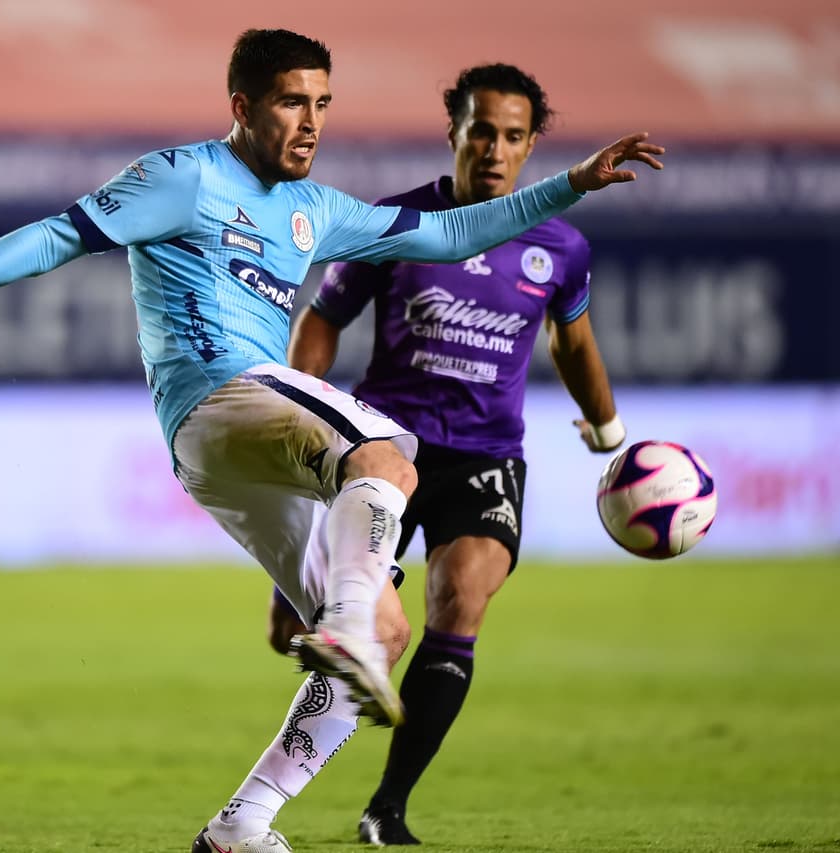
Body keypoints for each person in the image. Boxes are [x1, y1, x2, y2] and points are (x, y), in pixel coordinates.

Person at [0, 30, 662, 853]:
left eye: (323, 104)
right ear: (243, 106)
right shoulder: (181, 176)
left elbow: (447, 235)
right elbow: (58, 234)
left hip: (235, 453)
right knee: (385, 453)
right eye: (292, 102)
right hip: (217, 396)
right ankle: (340, 622)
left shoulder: (315, 209)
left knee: (388, 631)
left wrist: (571, 185)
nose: (311, 122)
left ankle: (243, 822)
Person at [266, 63, 626, 846]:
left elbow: (574, 342)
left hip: (487, 457)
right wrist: (299, 420)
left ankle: (387, 807)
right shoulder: (396, 223)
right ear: (454, 132)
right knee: (371, 633)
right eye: (482, 132)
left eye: (514, 136)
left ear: (532, 144)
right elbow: (324, 319)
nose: (496, 150)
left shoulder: (560, 247)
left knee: (462, 598)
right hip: (383, 452)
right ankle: (263, 799)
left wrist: (607, 432)